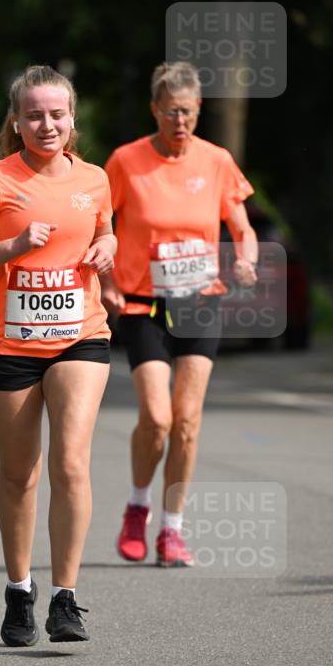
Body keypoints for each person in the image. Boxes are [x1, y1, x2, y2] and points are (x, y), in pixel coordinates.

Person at [0, 65, 116, 646]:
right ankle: (19, 590)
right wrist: (14, 246)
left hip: (81, 334)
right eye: (36, 115)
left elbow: (105, 227)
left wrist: (108, 245)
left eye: (58, 114)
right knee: (19, 475)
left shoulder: (94, 177)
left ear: (72, 119)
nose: (48, 125)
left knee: (71, 462)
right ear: (16, 122)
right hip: (8, 344)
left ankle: (65, 597)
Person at [101, 61, 258, 567]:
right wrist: (104, 282)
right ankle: (137, 504)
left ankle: (172, 529)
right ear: (155, 110)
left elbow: (242, 224)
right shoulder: (126, 161)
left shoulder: (216, 161)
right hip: (142, 303)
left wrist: (247, 258)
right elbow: (99, 225)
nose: (180, 120)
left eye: (187, 111)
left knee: (187, 422)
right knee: (157, 417)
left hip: (199, 300)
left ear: (199, 110)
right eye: (170, 111)